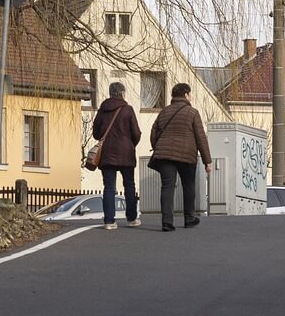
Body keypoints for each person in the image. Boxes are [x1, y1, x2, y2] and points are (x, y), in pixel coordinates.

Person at [147, 82, 212, 230]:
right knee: (188, 185)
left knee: (167, 187)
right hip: (186, 155)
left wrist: (157, 148)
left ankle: (167, 222)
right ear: (185, 94)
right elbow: (201, 137)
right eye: (190, 94)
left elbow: (153, 132)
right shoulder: (192, 112)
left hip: (164, 155)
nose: (191, 96)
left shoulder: (164, 112)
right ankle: (189, 218)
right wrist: (207, 161)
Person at [89, 81, 142, 230]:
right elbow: (136, 133)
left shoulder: (103, 110)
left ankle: (109, 221)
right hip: (126, 153)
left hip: (106, 154)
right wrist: (130, 145)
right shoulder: (128, 110)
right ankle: (131, 218)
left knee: (109, 187)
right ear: (122, 93)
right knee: (129, 185)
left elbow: (96, 133)